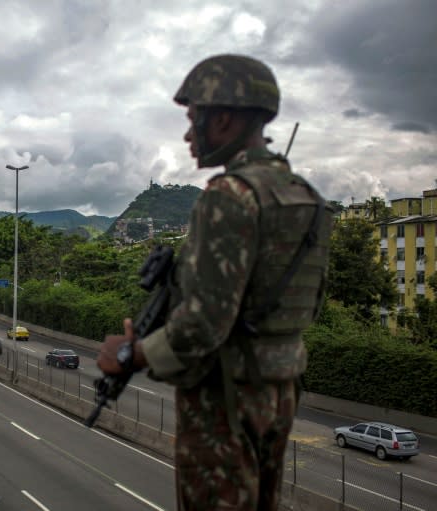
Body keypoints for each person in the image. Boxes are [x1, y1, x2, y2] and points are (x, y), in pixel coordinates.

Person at [97, 54, 333, 511]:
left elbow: (203, 325)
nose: (188, 135)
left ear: (222, 118)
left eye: (193, 119)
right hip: (279, 389)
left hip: (225, 398)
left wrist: (130, 353)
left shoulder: (230, 197)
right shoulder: (309, 200)